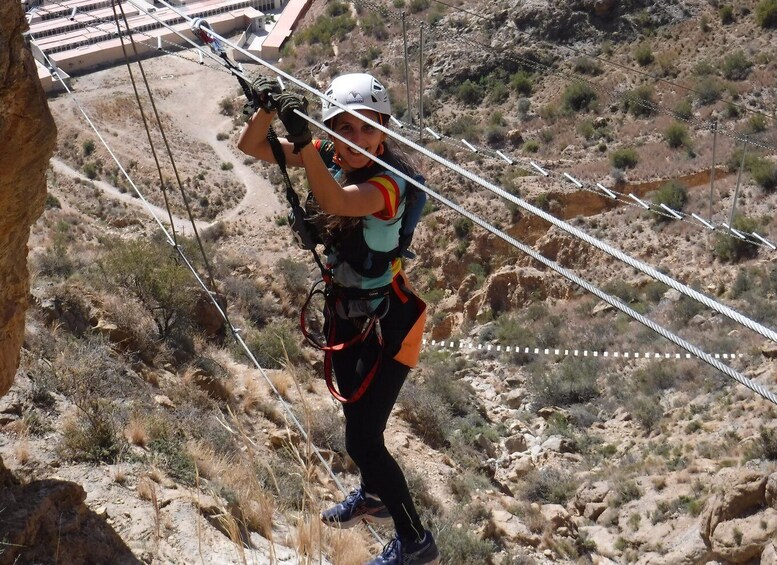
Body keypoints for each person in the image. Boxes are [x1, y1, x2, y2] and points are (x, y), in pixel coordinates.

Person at [237, 73, 439, 565]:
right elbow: (251, 145)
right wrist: (268, 108)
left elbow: (336, 202)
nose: (358, 141)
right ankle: (372, 496)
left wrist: (308, 143)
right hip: (350, 311)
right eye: (345, 129)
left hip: (390, 323)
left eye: (368, 130)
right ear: (329, 131)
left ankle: (416, 541)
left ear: (384, 134)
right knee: (353, 414)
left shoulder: (386, 185)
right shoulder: (329, 155)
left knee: (362, 438)